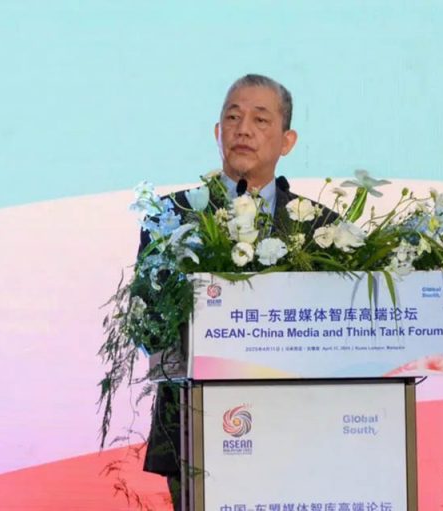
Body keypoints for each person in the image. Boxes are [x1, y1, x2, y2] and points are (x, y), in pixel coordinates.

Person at [138, 74, 335, 509]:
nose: (243, 130)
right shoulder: (171, 217)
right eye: (233, 118)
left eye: (260, 120)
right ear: (217, 132)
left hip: (296, 432)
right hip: (195, 430)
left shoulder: (322, 229)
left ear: (287, 141)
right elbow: (147, 322)